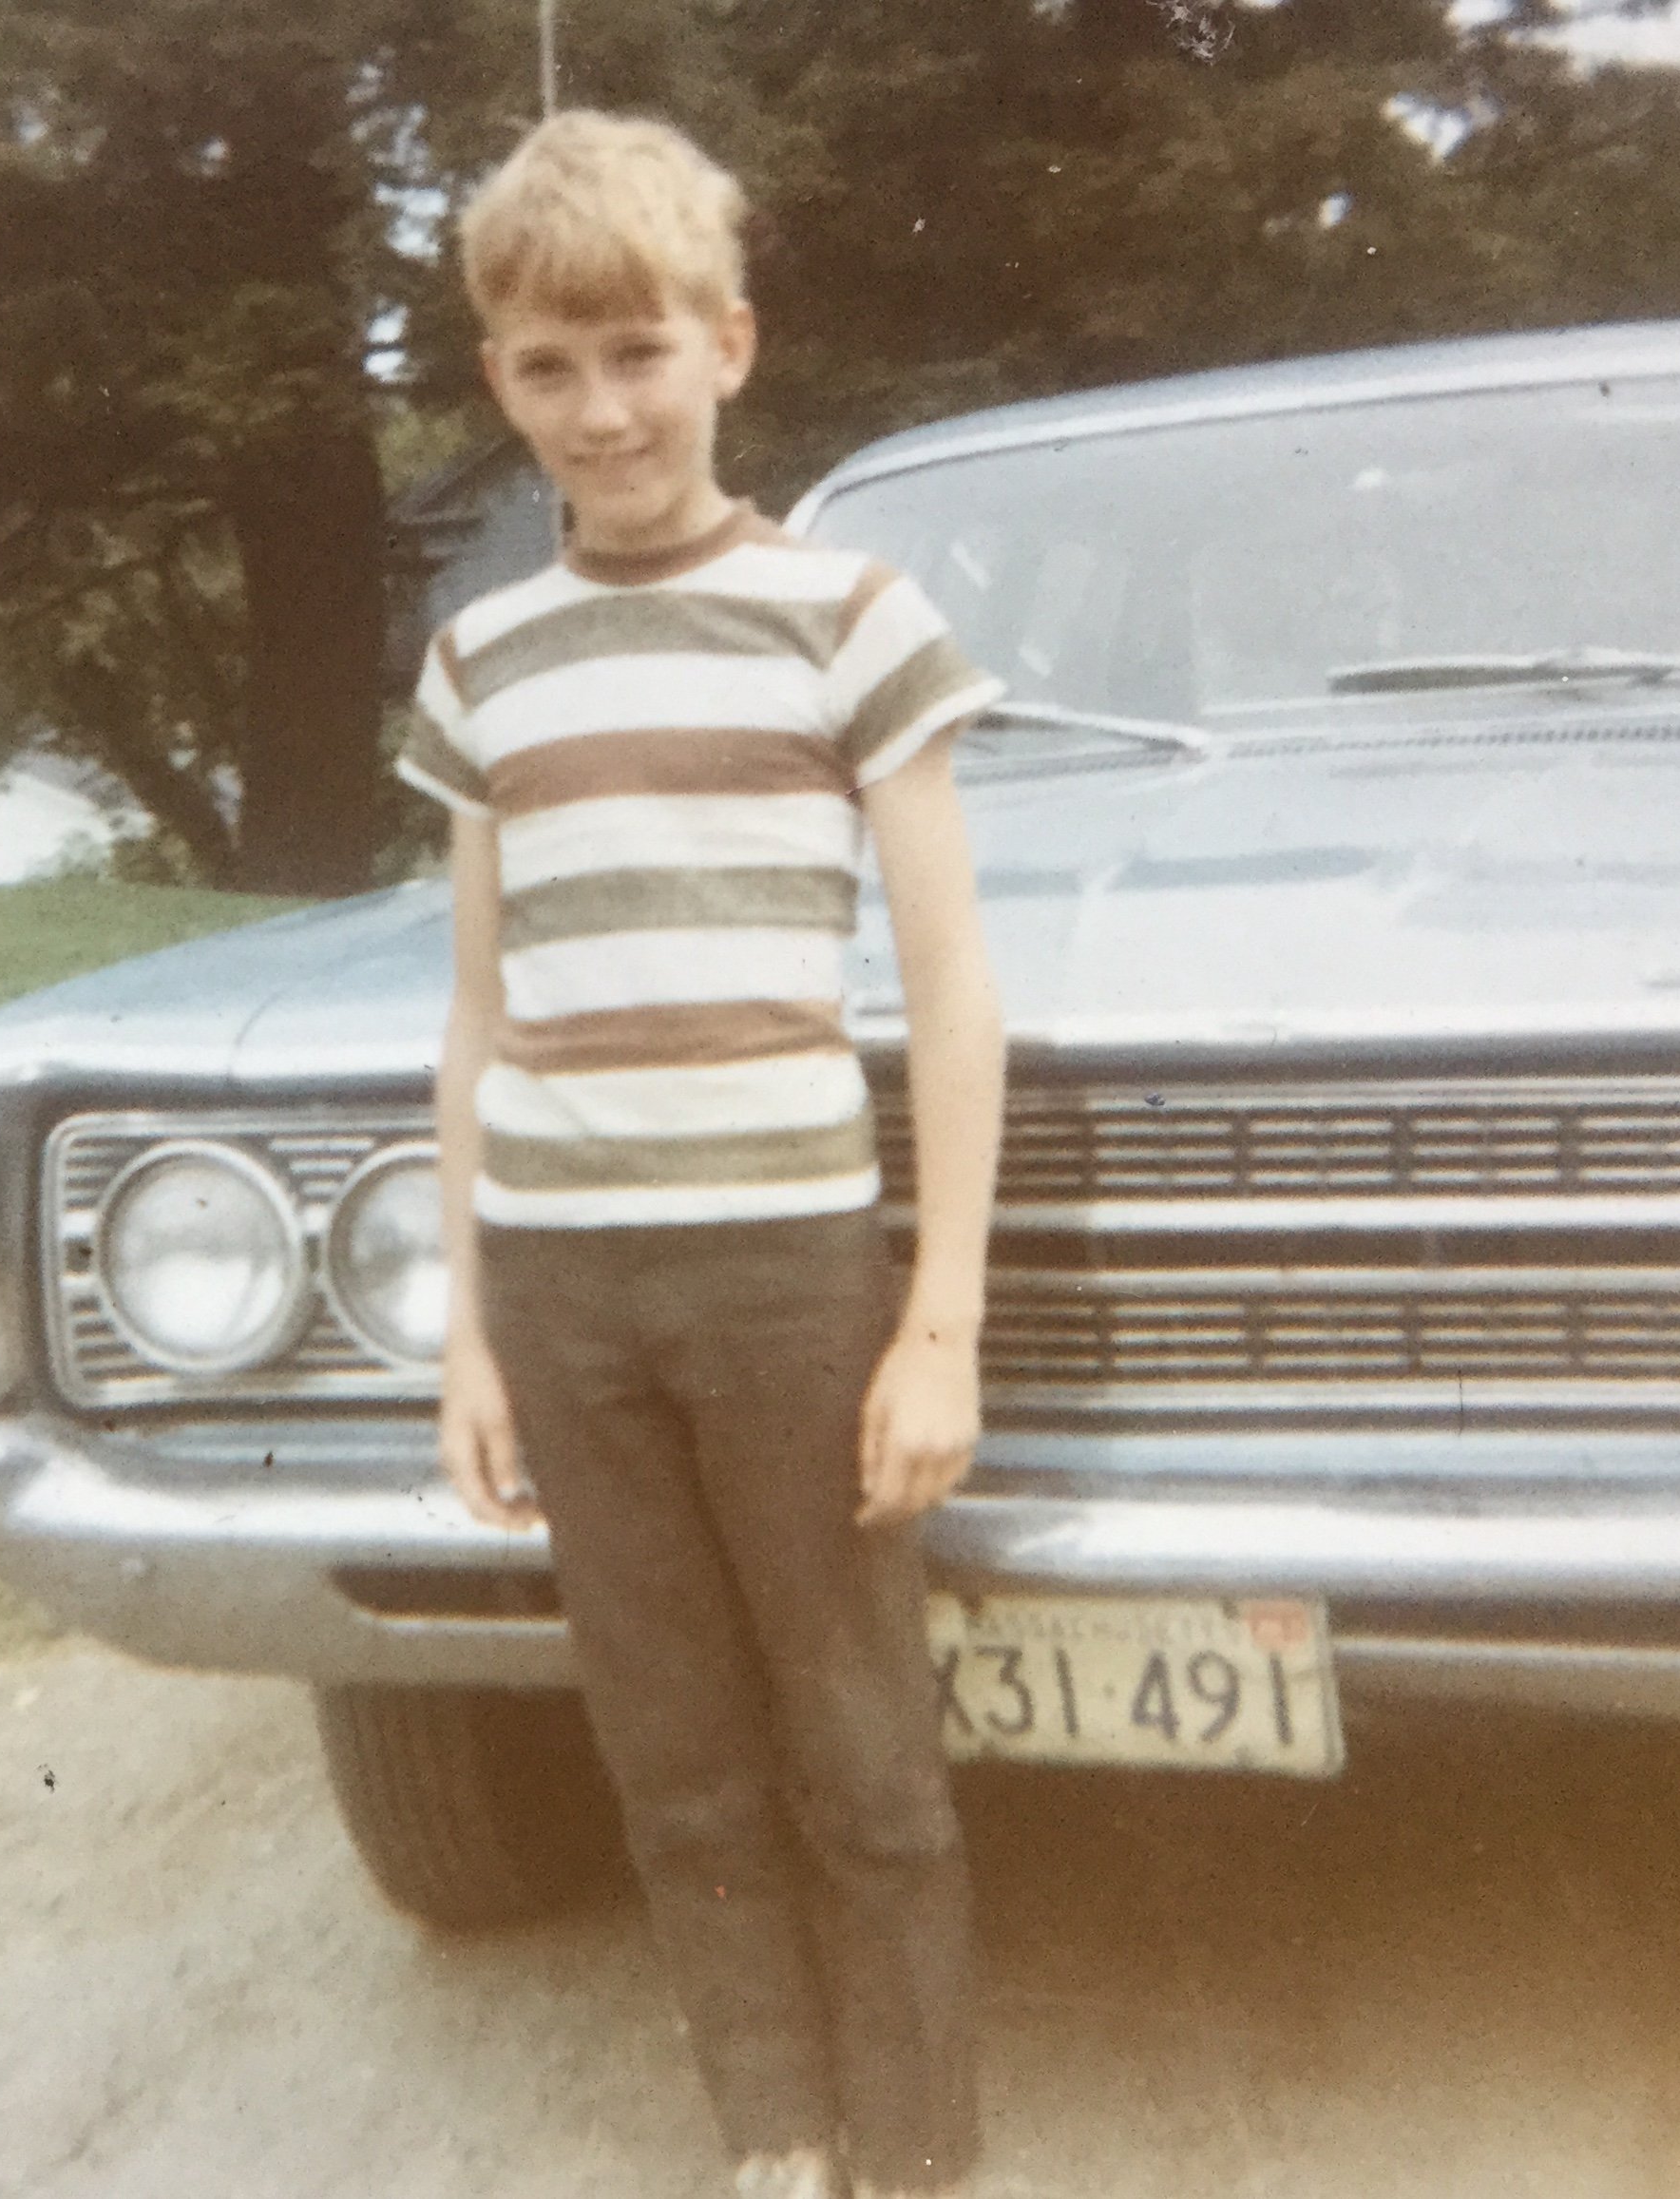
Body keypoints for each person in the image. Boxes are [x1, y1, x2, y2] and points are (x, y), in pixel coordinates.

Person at [394, 110, 1009, 2199]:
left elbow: (946, 986)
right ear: (500, 384)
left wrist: (936, 1323)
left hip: (786, 1277)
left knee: (861, 1752)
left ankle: (915, 2152)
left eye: (638, 352)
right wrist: (469, 1337)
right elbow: (478, 1012)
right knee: (674, 1760)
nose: (603, 407)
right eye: (550, 369)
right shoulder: (480, 662)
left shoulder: (842, 614)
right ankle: (776, 2132)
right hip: (567, 1288)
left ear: (727, 346)